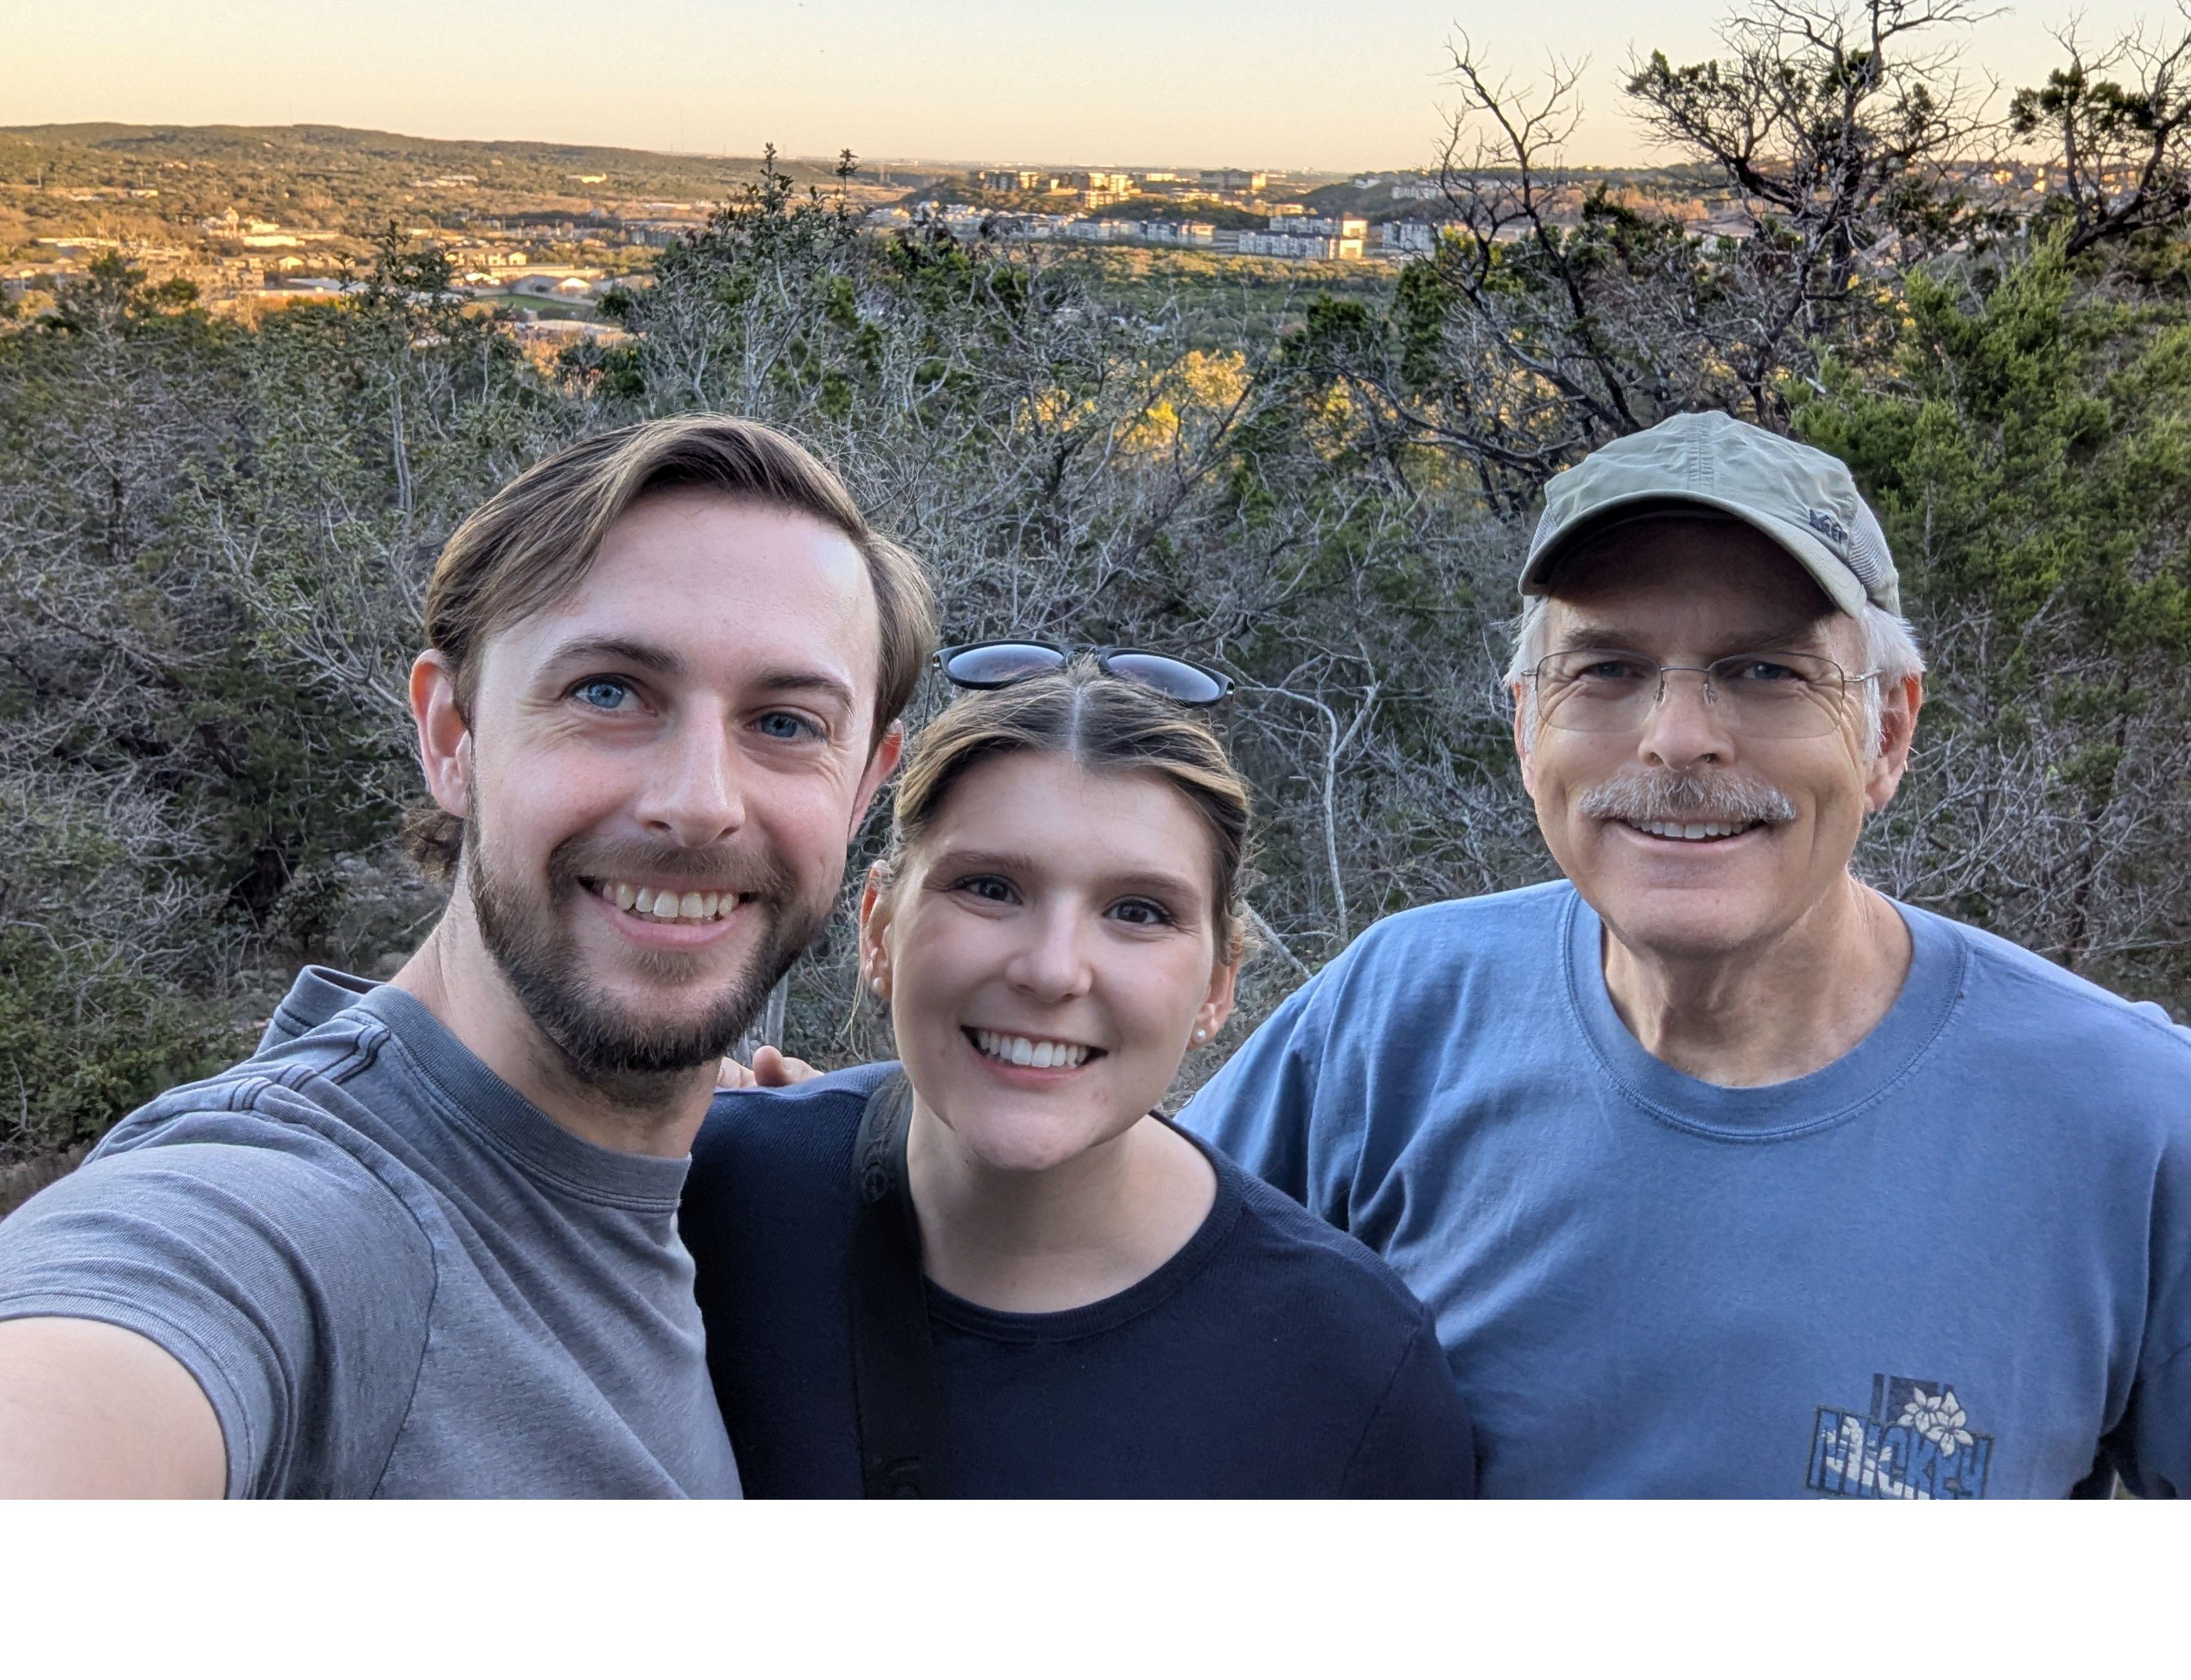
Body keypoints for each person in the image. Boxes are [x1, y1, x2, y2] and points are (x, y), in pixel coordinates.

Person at [1184, 410, 2191, 1499]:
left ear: (1887, 734)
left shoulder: (2131, 1120)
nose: (1675, 739)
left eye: (1764, 671)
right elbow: (1092, 1304)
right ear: (1528, 728)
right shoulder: (1393, 1020)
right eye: (1608, 670)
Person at [0, 415, 933, 1497]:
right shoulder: (287, 1227)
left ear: (867, 785)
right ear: (452, 735)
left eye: (784, 723)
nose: (698, 805)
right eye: (608, 693)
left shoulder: (713, 1194)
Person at [680, 652, 1479, 1497]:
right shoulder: (697, 1203)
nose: (1054, 971)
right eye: (990, 888)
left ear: (1218, 985)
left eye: (1138, 913)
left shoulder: (1351, 1367)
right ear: (880, 929)